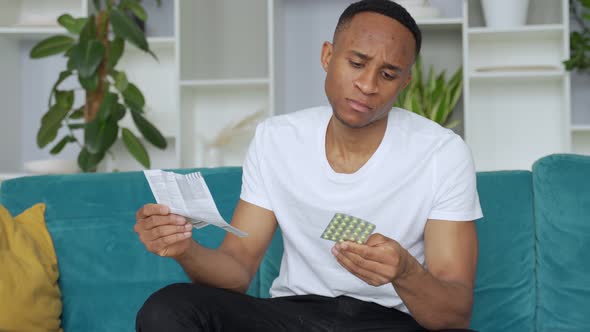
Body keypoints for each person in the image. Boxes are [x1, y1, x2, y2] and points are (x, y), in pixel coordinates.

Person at [134, 0, 483, 331]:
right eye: (357, 63)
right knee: (168, 308)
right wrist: (186, 250)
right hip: (294, 316)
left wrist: (406, 272)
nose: (367, 85)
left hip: (391, 322)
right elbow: (238, 267)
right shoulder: (277, 139)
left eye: (388, 74)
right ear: (328, 56)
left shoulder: (442, 152)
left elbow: (454, 312)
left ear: (404, 83)